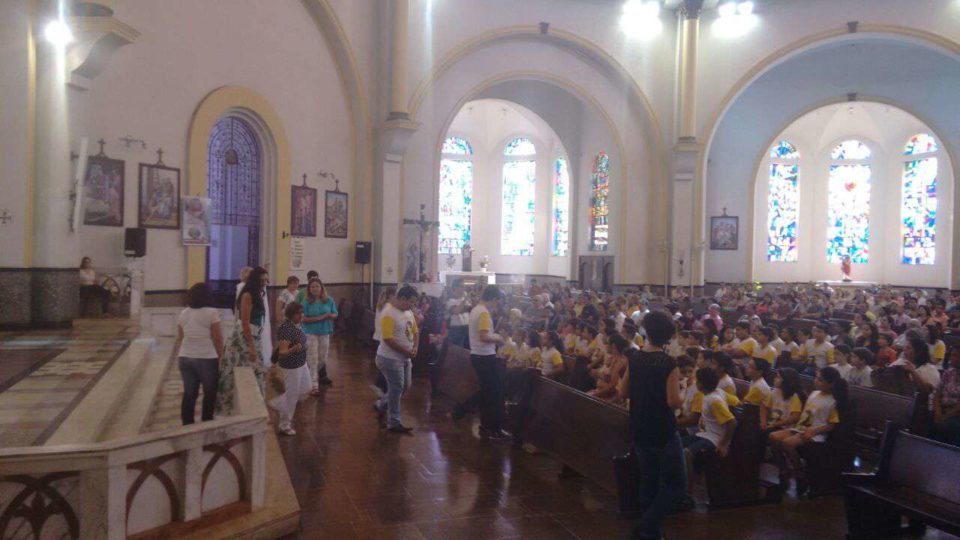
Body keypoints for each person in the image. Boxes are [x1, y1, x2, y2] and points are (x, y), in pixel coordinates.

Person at [617, 311, 685, 540]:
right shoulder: (668, 363)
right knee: (676, 486)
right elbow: (673, 401)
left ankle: (651, 533)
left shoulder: (634, 357)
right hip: (662, 429)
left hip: (639, 425)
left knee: (649, 479)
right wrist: (684, 393)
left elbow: (623, 391)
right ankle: (645, 526)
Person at [769, 366, 847, 495]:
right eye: (816, 378)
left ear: (831, 383)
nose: (816, 381)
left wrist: (815, 431)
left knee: (787, 444)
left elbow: (832, 425)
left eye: (820, 380)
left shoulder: (833, 401)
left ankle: (800, 475)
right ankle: (783, 469)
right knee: (773, 437)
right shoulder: (814, 393)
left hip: (816, 431)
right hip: (801, 427)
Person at [217, 266, 268, 416]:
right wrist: (251, 346)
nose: (266, 281)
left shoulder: (257, 293)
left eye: (267, 278)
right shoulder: (247, 295)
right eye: (264, 279)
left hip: (254, 335)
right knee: (245, 370)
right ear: (256, 279)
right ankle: (234, 410)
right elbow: (245, 322)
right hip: (244, 337)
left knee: (256, 370)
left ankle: (255, 409)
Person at [682, 367, 738, 501]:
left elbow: (732, 422)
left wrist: (724, 445)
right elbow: (736, 401)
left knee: (686, 453)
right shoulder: (716, 392)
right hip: (706, 434)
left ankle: (688, 491)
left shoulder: (714, 400)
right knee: (676, 442)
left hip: (715, 438)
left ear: (700, 384)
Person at [175, 283, 224, 425]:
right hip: (206, 357)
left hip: (185, 357)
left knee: (189, 394)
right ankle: (206, 424)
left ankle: (187, 426)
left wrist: (183, 353)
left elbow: (180, 337)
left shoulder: (184, 312)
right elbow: (217, 337)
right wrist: (221, 356)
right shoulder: (212, 312)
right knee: (209, 394)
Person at [374, 285, 419, 433]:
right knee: (397, 387)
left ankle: (381, 404)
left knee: (405, 386)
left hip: (405, 357)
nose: (412, 305)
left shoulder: (408, 312)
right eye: (411, 302)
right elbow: (388, 339)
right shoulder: (388, 313)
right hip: (389, 358)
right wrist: (406, 351)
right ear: (402, 298)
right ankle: (394, 422)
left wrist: (415, 348)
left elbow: (415, 331)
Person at [468, 285, 508, 440]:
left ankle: (486, 427)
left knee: (486, 394)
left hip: (477, 355)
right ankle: (494, 429)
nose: (497, 305)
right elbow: (484, 336)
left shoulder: (475, 309)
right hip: (485, 356)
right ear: (494, 298)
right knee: (494, 394)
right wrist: (499, 338)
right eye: (497, 301)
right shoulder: (484, 313)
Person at [269, 302, 310, 436]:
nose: (301, 315)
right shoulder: (286, 328)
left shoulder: (298, 325)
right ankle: (284, 424)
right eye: (298, 313)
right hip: (291, 364)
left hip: (301, 362)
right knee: (292, 395)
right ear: (291, 314)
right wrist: (294, 348)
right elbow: (283, 352)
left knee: (306, 388)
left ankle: (278, 404)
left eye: (302, 312)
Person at [300, 279, 338, 393]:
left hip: (324, 331)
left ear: (321, 288)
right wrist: (318, 318)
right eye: (312, 287)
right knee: (313, 358)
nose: (315, 289)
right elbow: (303, 318)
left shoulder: (329, 300)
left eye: (317, 286)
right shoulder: (306, 302)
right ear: (309, 289)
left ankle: (312, 376)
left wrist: (329, 315)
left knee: (323, 357)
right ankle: (313, 384)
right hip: (310, 332)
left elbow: (335, 314)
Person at [931, 347, 960, 446]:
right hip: (942, 409)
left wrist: (945, 416)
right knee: (924, 418)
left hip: (956, 414)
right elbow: (937, 395)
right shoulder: (948, 373)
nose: (951, 358)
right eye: (952, 355)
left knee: (949, 425)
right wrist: (938, 412)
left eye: (955, 355)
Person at [372, 287, 397, 395]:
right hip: (385, 339)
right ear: (391, 296)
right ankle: (382, 387)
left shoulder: (381, 306)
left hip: (379, 337)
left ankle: (381, 385)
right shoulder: (389, 308)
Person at [445, 281, 471, 348]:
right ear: (455, 288)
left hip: (467, 327)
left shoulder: (465, 300)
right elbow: (456, 311)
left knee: (467, 351)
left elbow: (471, 310)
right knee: (458, 352)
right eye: (461, 286)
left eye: (463, 287)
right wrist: (466, 299)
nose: (463, 289)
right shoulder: (450, 300)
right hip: (456, 329)